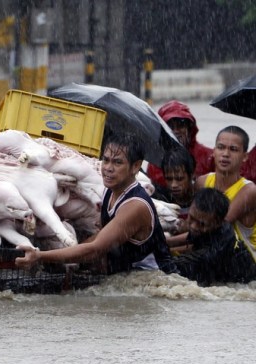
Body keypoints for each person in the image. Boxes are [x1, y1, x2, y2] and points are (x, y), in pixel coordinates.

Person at [15, 134, 179, 275]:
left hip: (153, 277)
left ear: (136, 166)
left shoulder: (135, 206)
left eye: (117, 162)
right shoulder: (110, 191)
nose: (108, 168)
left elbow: (95, 249)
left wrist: (41, 256)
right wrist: (67, 255)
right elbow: (100, 237)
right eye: (106, 160)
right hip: (125, 275)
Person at [195, 125, 256, 262]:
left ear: (245, 157)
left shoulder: (249, 191)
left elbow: (215, 227)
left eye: (233, 149)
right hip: (211, 252)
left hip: (244, 263)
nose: (226, 154)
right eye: (221, 147)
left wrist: (169, 242)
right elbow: (195, 223)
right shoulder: (202, 182)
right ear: (214, 151)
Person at [172, 188, 256, 285]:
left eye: (202, 224)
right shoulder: (211, 227)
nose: (193, 226)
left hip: (244, 285)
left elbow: (175, 265)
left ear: (218, 223)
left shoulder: (215, 251)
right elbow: (190, 241)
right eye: (191, 218)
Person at [146, 100, 214, 188]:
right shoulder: (154, 163)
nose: (176, 131)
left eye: (180, 125)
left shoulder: (208, 157)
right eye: (170, 126)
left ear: (189, 128)